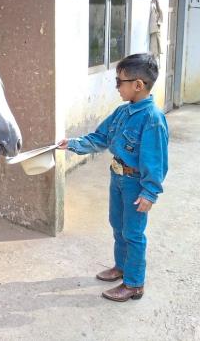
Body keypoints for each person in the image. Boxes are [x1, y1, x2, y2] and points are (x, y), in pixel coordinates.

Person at [57, 53, 168, 302]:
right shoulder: (121, 112)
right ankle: (121, 267)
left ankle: (134, 284)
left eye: (120, 82)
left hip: (135, 184)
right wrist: (73, 144)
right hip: (116, 179)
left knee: (133, 233)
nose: (117, 86)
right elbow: (100, 138)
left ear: (138, 85)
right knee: (118, 226)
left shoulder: (152, 119)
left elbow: (156, 162)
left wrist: (149, 193)